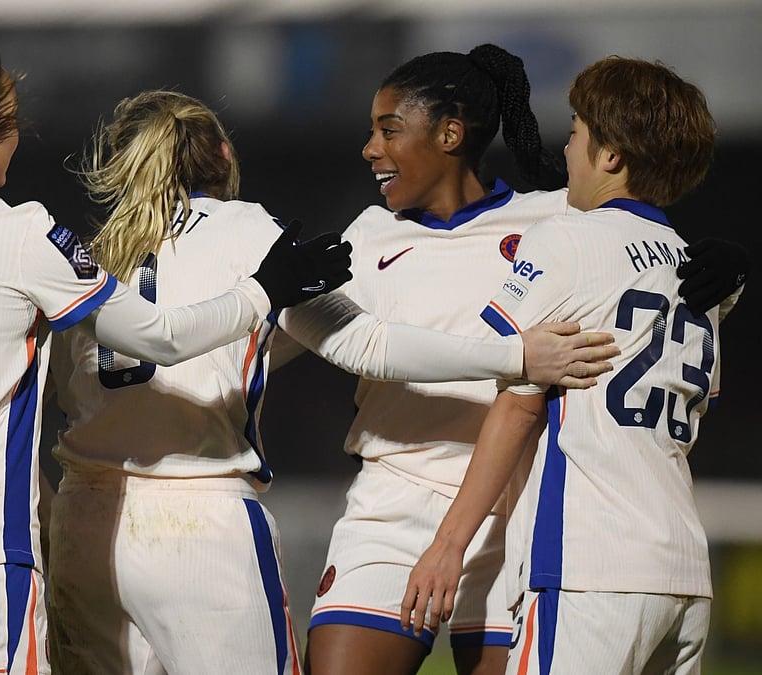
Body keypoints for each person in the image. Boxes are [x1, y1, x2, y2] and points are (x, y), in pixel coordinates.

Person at [0, 37, 351, 675]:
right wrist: (263, 290)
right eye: (12, 121)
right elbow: (160, 338)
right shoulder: (24, 235)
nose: (19, 137)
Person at [44, 90, 619, 675]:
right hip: (200, 521)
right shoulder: (245, 231)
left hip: (84, 524)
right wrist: (514, 356)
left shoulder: (87, 255)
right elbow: (363, 344)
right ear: (221, 151)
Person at [304, 45, 748, 675]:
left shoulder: (558, 223)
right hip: (398, 504)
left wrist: (731, 266)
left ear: (450, 133)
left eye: (387, 129)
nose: (370, 148)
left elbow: (523, 399)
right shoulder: (365, 237)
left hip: (525, 512)